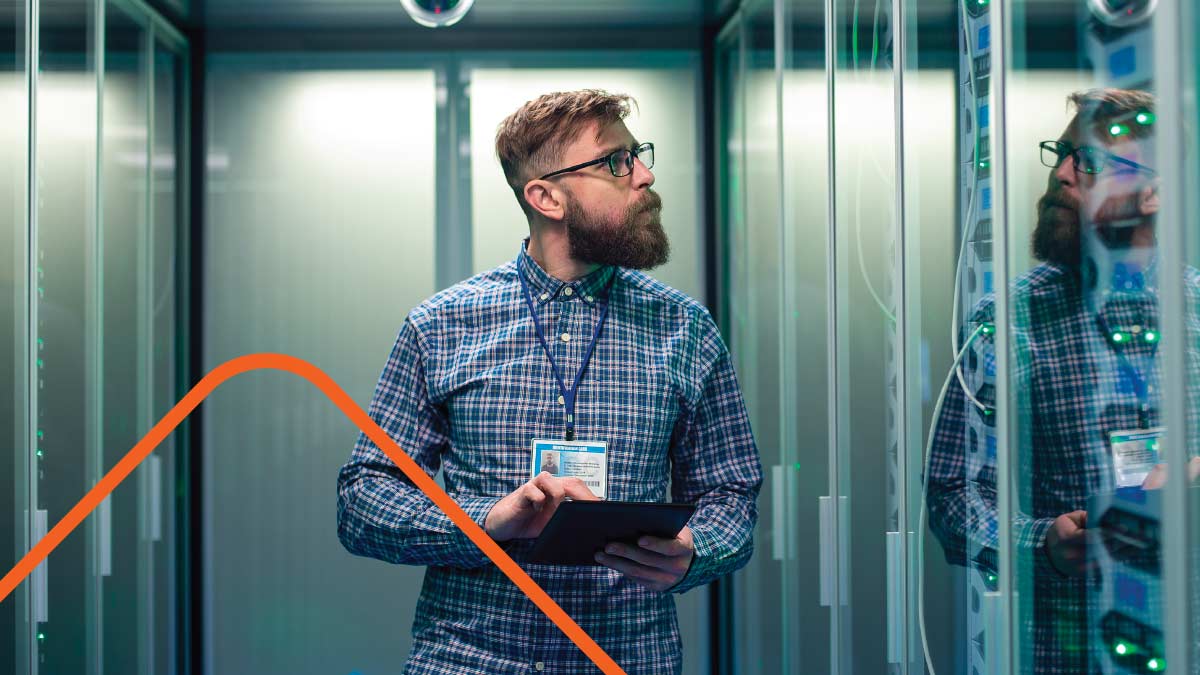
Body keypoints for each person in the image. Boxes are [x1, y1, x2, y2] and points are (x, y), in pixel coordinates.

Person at [337, 89, 762, 674]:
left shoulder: (684, 329)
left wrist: (697, 552)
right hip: (470, 660)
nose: (643, 175)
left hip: (627, 657)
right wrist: (486, 521)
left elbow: (732, 497)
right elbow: (364, 500)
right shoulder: (441, 326)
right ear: (545, 197)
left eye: (637, 154)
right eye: (616, 161)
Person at [927, 88, 1199, 672]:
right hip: (1070, 648)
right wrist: (1042, 542)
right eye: (1064, 153)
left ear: (1153, 193)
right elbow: (951, 495)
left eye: (1092, 162)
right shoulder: (1009, 319)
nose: (1063, 175)